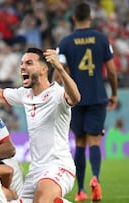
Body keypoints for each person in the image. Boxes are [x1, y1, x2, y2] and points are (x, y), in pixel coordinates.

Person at [0, 47, 81, 202]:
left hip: (58, 166)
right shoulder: (25, 94)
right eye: (21, 63)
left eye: (29, 63)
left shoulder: (57, 94)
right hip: (35, 170)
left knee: (41, 200)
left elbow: (75, 98)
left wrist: (60, 67)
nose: (22, 67)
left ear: (44, 69)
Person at [55, 2, 118, 202]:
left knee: (80, 143)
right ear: (90, 17)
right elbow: (112, 70)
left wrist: (55, 92)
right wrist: (114, 93)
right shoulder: (101, 39)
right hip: (98, 97)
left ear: (73, 18)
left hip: (75, 99)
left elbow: (60, 71)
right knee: (95, 141)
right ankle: (95, 180)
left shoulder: (65, 42)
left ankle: (81, 190)